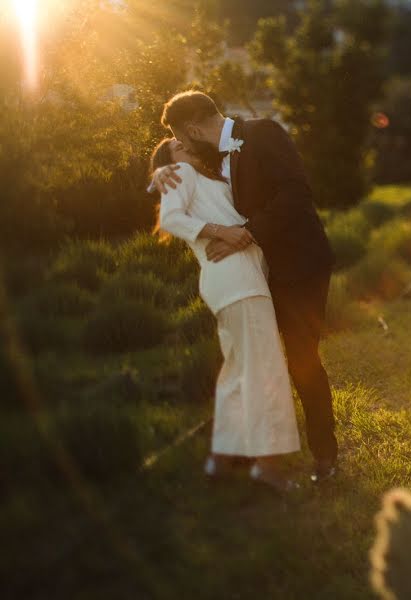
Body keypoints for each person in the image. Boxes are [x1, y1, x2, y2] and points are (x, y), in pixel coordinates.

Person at [149, 91, 338, 484]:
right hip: (251, 276)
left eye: (183, 138)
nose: (183, 146)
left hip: (300, 267)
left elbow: (296, 194)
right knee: (251, 362)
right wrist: (157, 172)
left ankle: (325, 457)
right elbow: (181, 182)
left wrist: (246, 233)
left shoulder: (263, 133)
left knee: (301, 360)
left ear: (196, 129)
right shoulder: (209, 160)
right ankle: (243, 455)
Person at [151, 137, 303, 491]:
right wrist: (225, 232)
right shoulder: (182, 172)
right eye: (174, 145)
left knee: (238, 370)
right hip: (237, 281)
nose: (182, 144)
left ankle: (220, 461)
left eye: (184, 140)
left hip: (231, 282)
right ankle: (269, 467)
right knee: (265, 369)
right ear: (170, 161)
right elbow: (172, 218)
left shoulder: (213, 174)